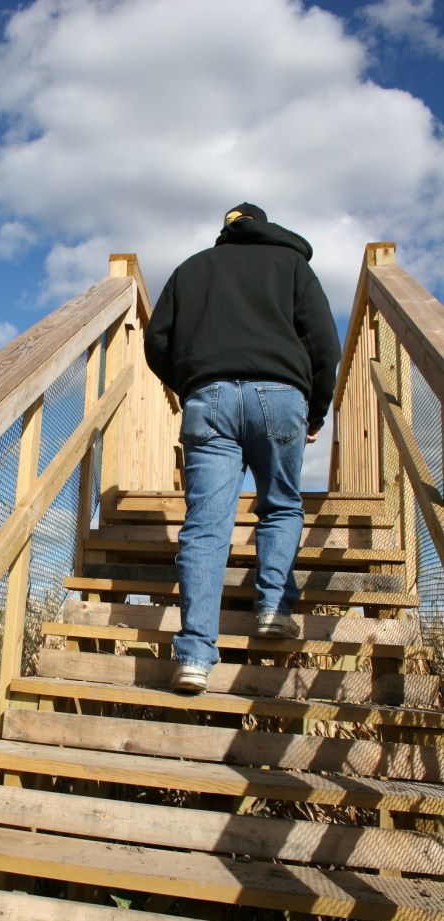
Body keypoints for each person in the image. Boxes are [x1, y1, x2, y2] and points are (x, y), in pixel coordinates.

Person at [144, 203, 341, 693]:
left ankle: (193, 656)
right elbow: (325, 346)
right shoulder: (292, 266)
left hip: (206, 400)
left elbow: (156, 341)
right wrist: (315, 412)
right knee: (279, 506)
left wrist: (190, 383)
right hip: (280, 396)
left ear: (225, 230)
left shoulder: (191, 269)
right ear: (264, 226)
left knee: (206, 528)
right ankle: (273, 606)